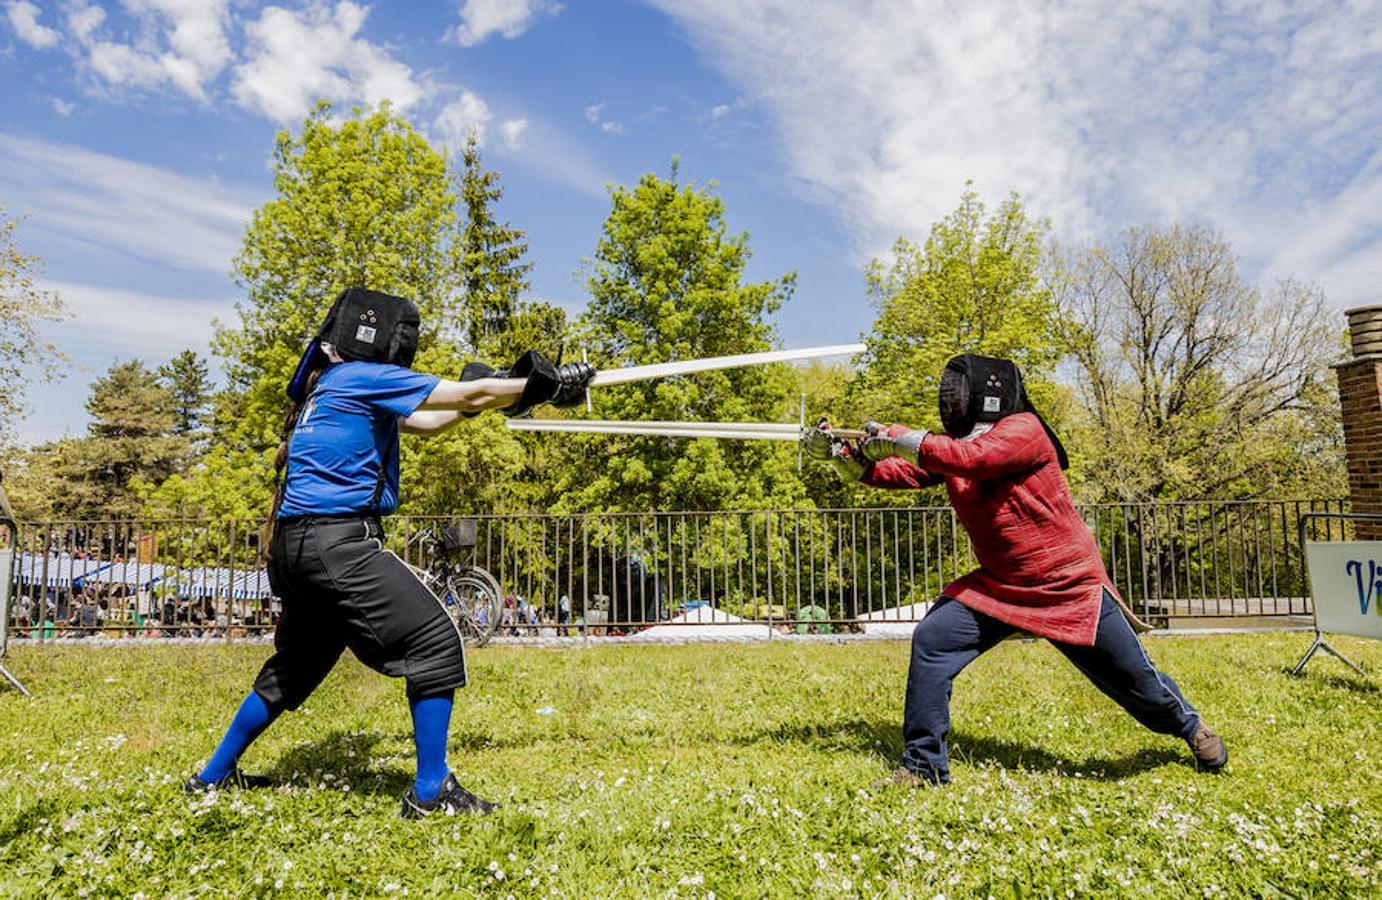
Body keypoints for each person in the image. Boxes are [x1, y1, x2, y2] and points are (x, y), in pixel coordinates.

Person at [185, 287, 595, 817]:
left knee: (296, 666)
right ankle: (430, 793)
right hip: (336, 542)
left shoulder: (329, 385)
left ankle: (212, 777)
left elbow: (433, 418)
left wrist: (503, 394)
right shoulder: (366, 376)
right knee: (434, 638)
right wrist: (542, 385)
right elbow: (467, 397)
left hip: (295, 545)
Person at [804, 353, 1227, 786]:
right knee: (933, 639)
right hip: (1000, 585)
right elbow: (904, 471)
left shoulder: (1024, 429)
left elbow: (973, 459)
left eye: (958, 390)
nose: (951, 399)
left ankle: (1191, 727)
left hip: (1068, 585)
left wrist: (898, 436)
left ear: (988, 393)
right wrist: (843, 455)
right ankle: (923, 765)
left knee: (1133, 678)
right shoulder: (958, 444)